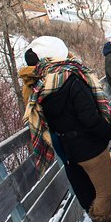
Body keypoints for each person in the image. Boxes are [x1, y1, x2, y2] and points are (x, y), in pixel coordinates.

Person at [23, 36, 111, 222]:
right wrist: (108, 131)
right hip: (90, 148)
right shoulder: (71, 79)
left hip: (69, 151)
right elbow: (89, 118)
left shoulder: (40, 87)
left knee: (94, 193)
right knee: (105, 192)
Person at [19, 48, 96, 213]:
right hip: (69, 133)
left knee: (75, 171)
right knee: (93, 171)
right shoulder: (53, 76)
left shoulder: (29, 83)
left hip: (57, 136)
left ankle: (94, 213)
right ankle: (105, 213)